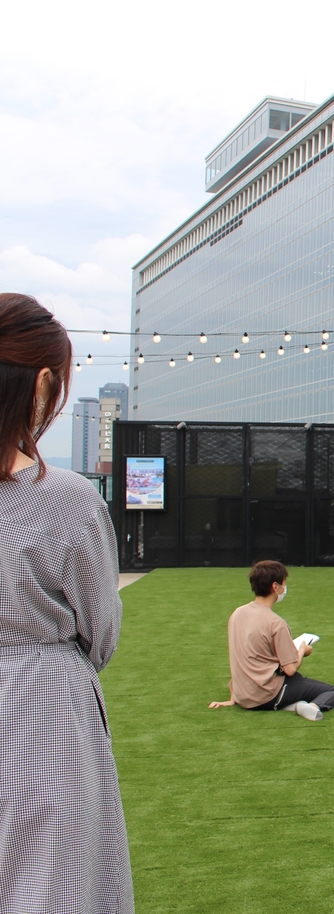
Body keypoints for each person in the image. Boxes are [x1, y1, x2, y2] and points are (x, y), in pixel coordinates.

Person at [0, 293, 133, 913]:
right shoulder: (66, 499)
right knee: (51, 887)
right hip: (44, 715)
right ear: (44, 382)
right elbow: (99, 630)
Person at [209, 560, 334, 721]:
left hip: (242, 695)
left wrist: (234, 698)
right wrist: (302, 651)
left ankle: (292, 704)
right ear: (275, 587)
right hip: (267, 694)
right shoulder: (276, 623)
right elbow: (290, 670)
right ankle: (312, 707)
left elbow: (242, 653)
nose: (285, 588)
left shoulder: (237, 614)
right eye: (284, 584)